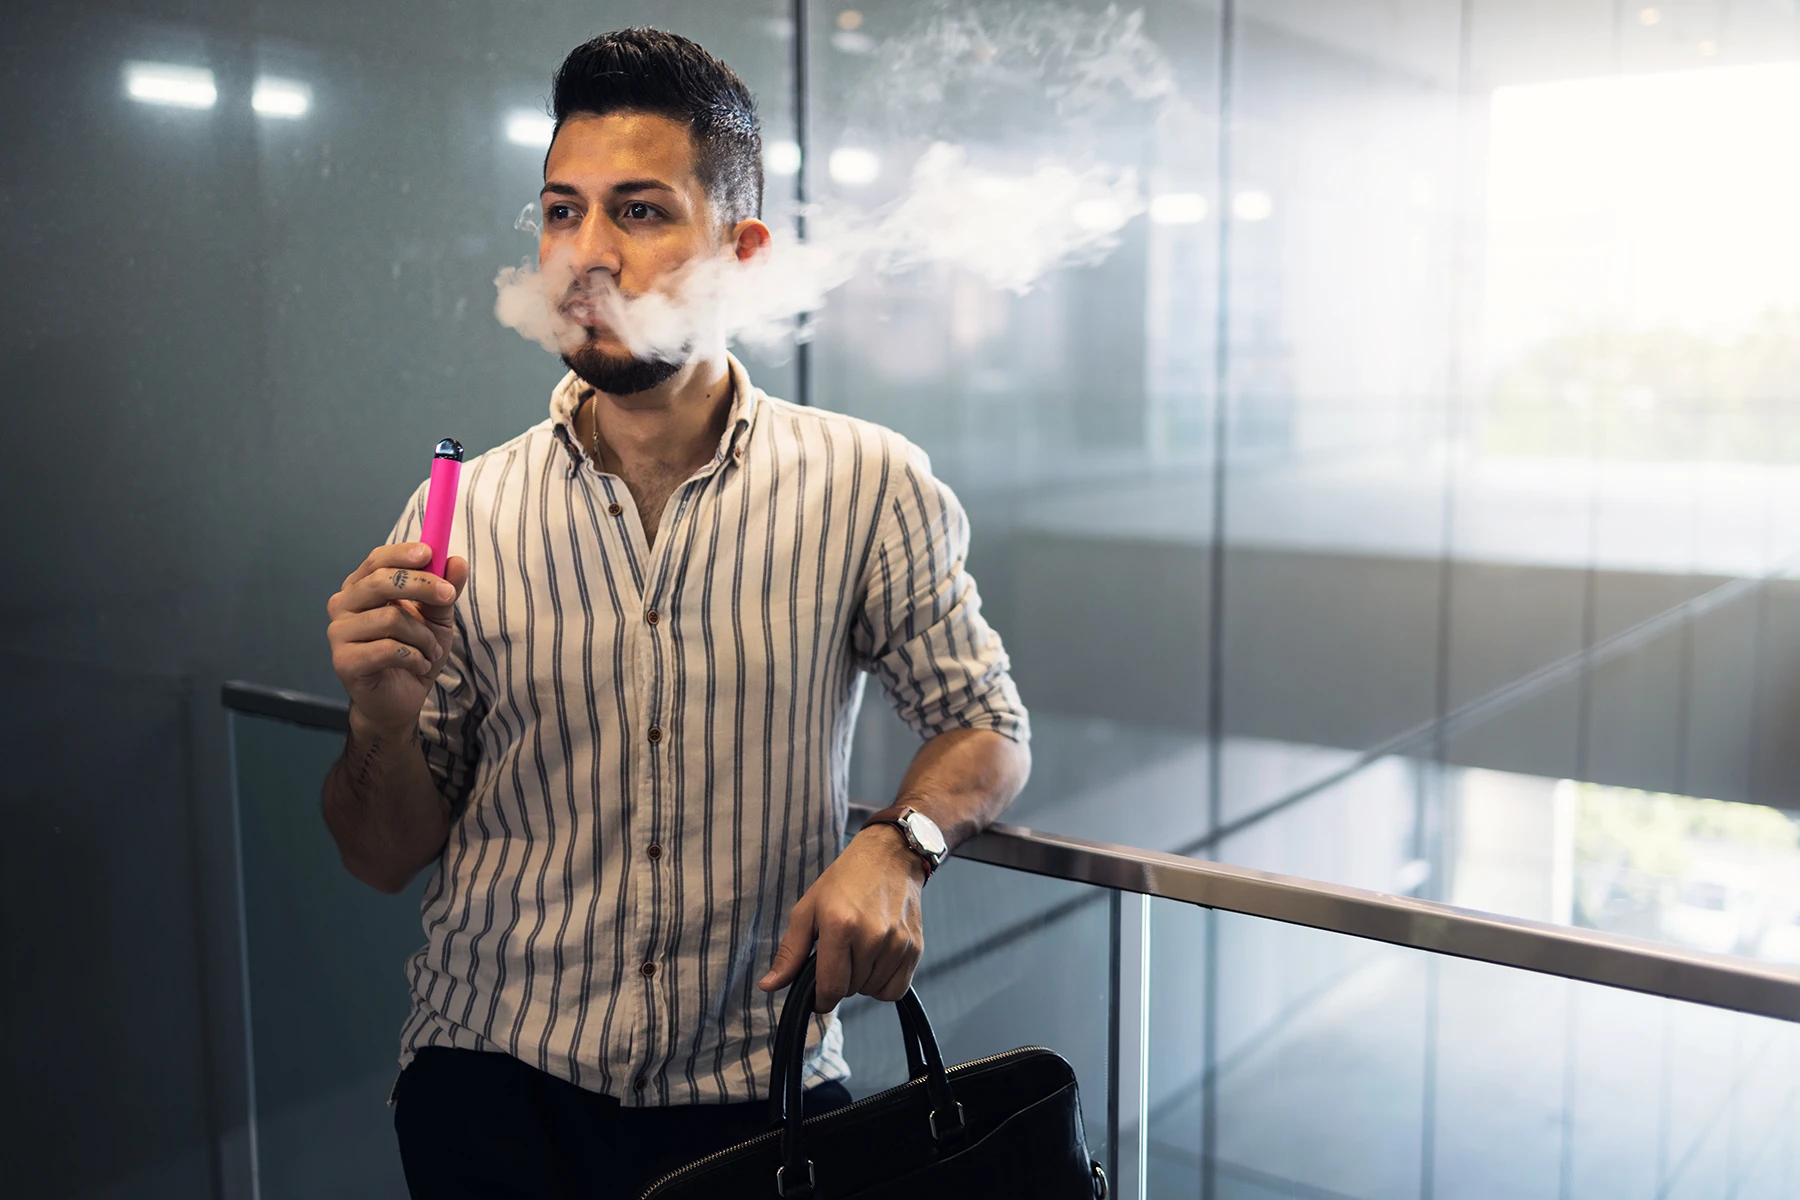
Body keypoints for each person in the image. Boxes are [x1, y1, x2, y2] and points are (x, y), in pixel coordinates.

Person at [320, 27, 1031, 1198]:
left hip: (761, 1107)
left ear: (742, 253)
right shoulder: (467, 512)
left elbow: (987, 726)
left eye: (639, 213)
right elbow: (381, 854)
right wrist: (379, 723)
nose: (584, 256)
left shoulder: (868, 483)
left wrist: (902, 847)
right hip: (487, 1091)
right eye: (561, 213)